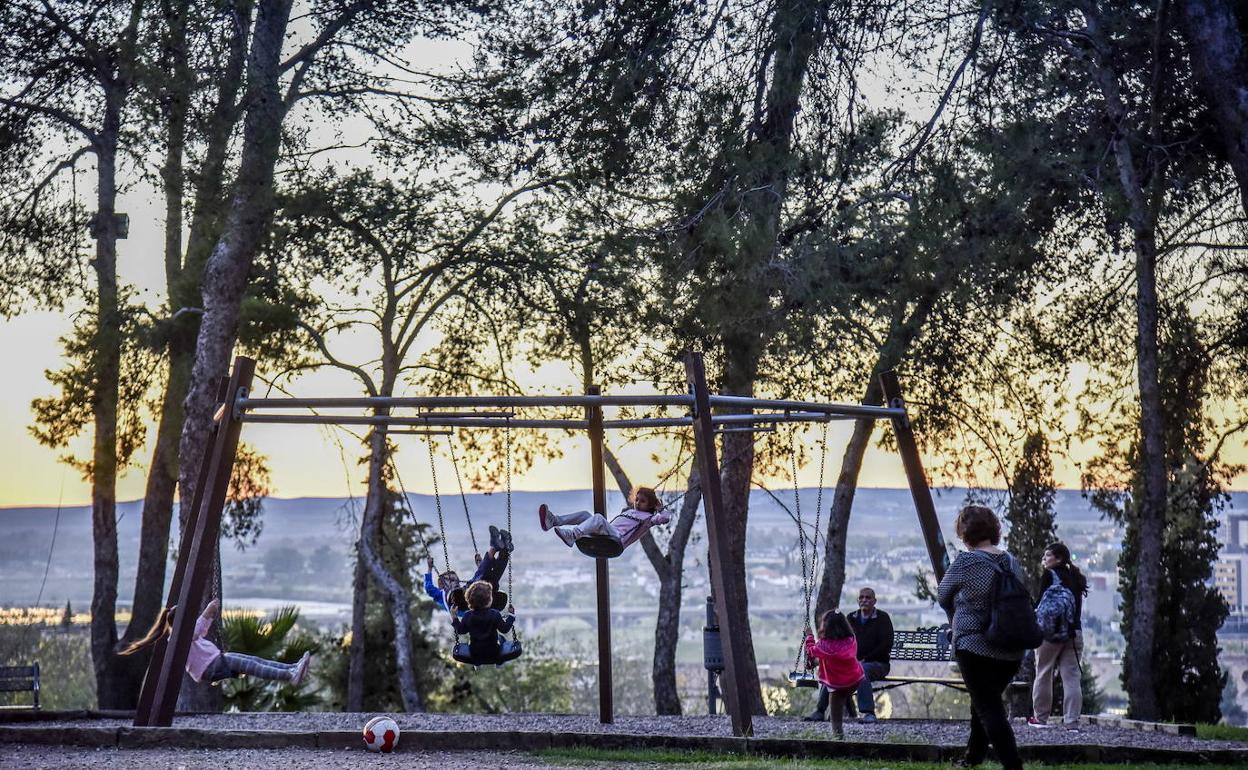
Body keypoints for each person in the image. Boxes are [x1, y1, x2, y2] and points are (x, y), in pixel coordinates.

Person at [937, 505, 1026, 770]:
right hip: (1011, 648)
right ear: (993, 529)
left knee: (989, 709)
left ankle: (1013, 765)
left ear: (964, 533)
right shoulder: (1011, 561)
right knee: (984, 704)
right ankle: (972, 758)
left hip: (975, 647)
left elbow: (943, 594)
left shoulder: (965, 562)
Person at [120, 598, 311, 686]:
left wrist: (209, 615)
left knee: (253, 660)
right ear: (180, 622)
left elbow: (199, 631)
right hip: (211, 667)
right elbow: (194, 633)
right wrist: (206, 612)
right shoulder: (177, 638)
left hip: (216, 661)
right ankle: (289, 676)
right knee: (251, 665)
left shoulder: (184, 635)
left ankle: (293, 668)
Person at [804, 587, 893, 724]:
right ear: (858, 600)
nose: (864, 600)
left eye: (868, 598)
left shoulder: (883, 618)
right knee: (832, 669)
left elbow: (885, 645)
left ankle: (868, 713)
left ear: (874, 601)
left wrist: (864, 659)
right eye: (861, 597)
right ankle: (819, 711)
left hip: (877, 663)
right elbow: (840, 638)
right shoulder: (851, 617)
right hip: (852, 663)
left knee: (862, 670)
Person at [1029, 541, 1088, 728]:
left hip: (1050, 635)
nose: (1044, 559)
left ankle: (1040, 718)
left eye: (1047, 556)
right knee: (1071, 677)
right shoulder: (1076, 577)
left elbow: (1040, 604)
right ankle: (1072, 721)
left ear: (1059, 558)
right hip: (1074, 633)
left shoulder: (1049, 575)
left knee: (1044, 672)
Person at [538, 487, 670, 551]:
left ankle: (572, 535)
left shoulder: (648, 519)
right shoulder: (631, 511)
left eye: (643, 501)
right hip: (608, 533)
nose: (638, 502)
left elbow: (665, 519)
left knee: (598, 518)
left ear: (651, 505)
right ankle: (554, 521)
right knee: (585, 514)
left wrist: (660, 508)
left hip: (617, 539)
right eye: (637, 499)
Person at [803, 610, 864, 738]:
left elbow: (811, 650)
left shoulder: (824, 646)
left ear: (826, 628)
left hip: (837, 685)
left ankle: (838, 738)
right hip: (854, 680)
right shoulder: (851, 639)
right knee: (841, 698)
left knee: (836, 719)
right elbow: (836, 655)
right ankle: (849, 716)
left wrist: (809, 636)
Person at [424, 525, 513, 613]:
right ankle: (495, 547)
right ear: (442, 586)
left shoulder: (462, 590)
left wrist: (480, 566)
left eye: (455, 579)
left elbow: (479, 576)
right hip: (474, 600)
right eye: (450, 580)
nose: (455, 582)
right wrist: (429, 568)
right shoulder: (442, 595)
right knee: (483, 580)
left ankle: (503, 551)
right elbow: (429, 588)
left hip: (480, 596)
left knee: (492, 577)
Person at [450, 580, 516, 664]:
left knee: (473, 644)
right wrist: (511, 616)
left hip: (475, 654)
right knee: (501, 638)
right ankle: (499, 663)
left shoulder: (468, 615)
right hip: (494, 652)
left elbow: (460, 630)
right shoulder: (494, 614)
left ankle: (477, 664)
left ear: (468, 600)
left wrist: (454, 617)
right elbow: (505, 629)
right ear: (489, 600)